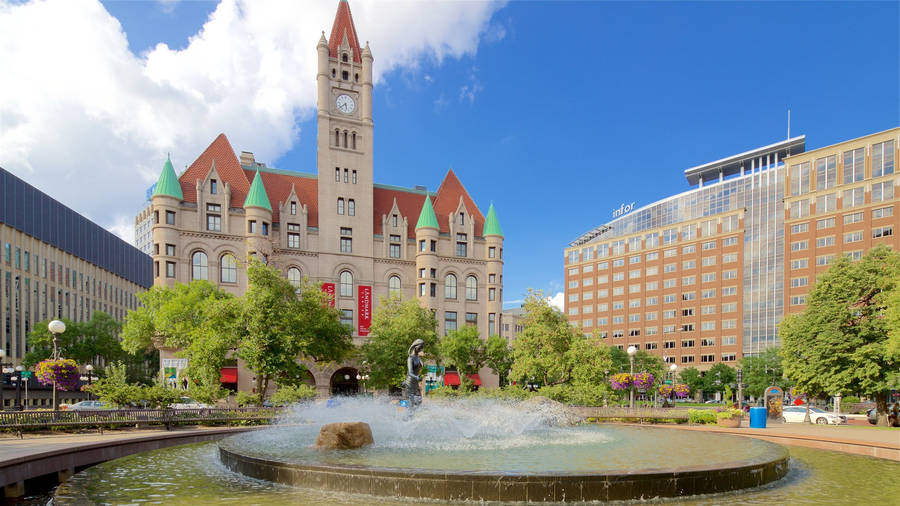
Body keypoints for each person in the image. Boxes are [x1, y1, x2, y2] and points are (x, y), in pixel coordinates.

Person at [403, 339, 424, 409]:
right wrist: (416, 377)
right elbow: (410, 372)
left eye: (422, 347)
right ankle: (408, 418)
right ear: (415, 346)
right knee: (411, 404)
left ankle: (415, 418)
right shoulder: (410, 358)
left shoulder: (418, 358)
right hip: (410, 383)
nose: (421, 349)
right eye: (420, 347)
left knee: (419, 402)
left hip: (415, 383)